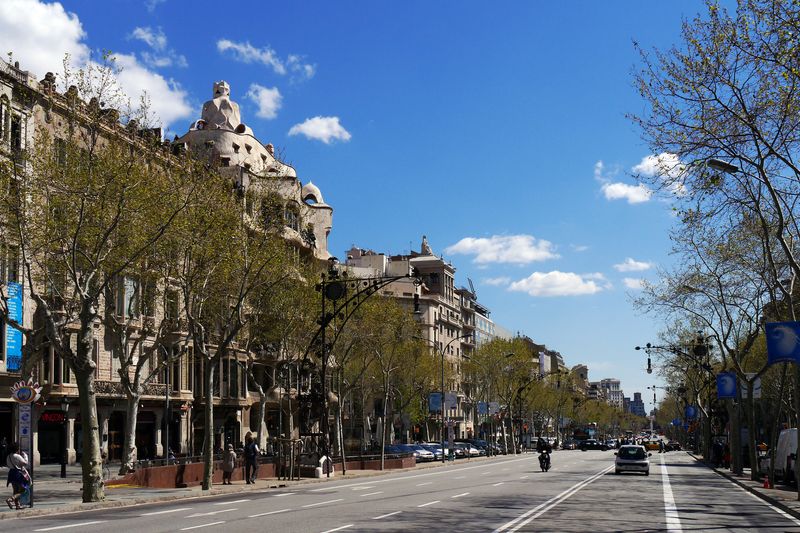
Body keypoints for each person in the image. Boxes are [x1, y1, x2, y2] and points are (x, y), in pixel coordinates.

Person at [5, 442, 29, 510]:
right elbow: (25, 463)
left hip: (11, 473)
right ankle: (10, 499)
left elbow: (8, 465)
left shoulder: (8, 456)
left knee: (15, 490)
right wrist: (25, 456)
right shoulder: (17, 456)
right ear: (17, 448)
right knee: (23, 490)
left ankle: (17, 505)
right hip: (17, 474)